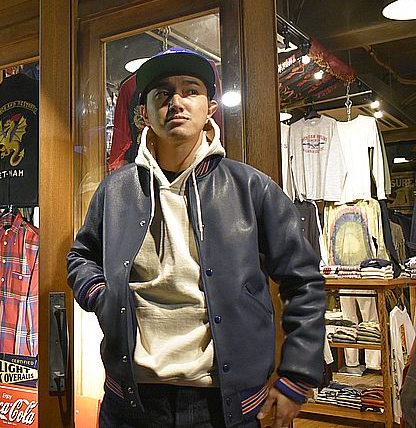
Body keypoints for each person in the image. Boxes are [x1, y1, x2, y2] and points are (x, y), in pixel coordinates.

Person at [67, 48, 325, 428]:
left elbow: (303, 281)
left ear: (210, 109)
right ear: (144, 115)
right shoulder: (116, 190)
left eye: (190, 90)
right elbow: (81, 257)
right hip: (130, 402)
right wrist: (102, 297)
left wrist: (297, 375)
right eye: (162, 94)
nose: (176, 102)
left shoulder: (251, 187)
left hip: (224, 405)